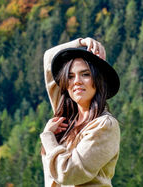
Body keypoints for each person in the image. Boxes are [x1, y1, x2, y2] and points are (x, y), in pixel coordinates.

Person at [40, 37, 120, 187]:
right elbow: (49, 58)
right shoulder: (66, 118)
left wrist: (49, 137)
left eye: (85, 74)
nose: (76, 81)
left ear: (98, 80)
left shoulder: (104, 125)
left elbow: (70, 173)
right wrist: (81, 42)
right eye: (70, 76)